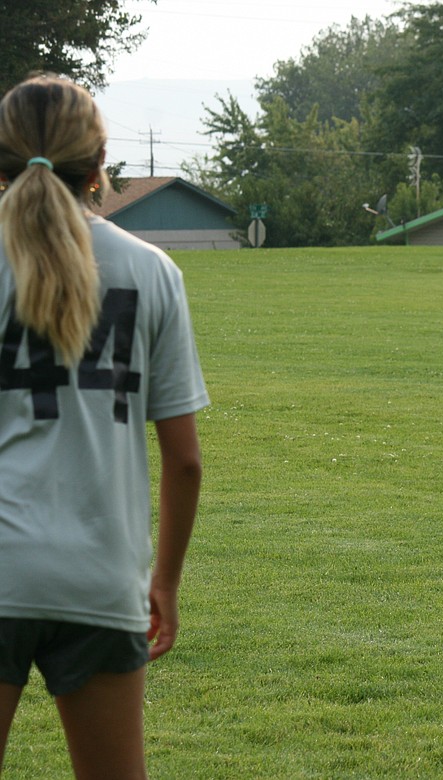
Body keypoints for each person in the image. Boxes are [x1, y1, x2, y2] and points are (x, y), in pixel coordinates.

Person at [0, 74, 209, 778]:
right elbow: (184, 461)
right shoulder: (151, 270)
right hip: (101, 574)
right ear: (100, 164)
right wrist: (167, 585)